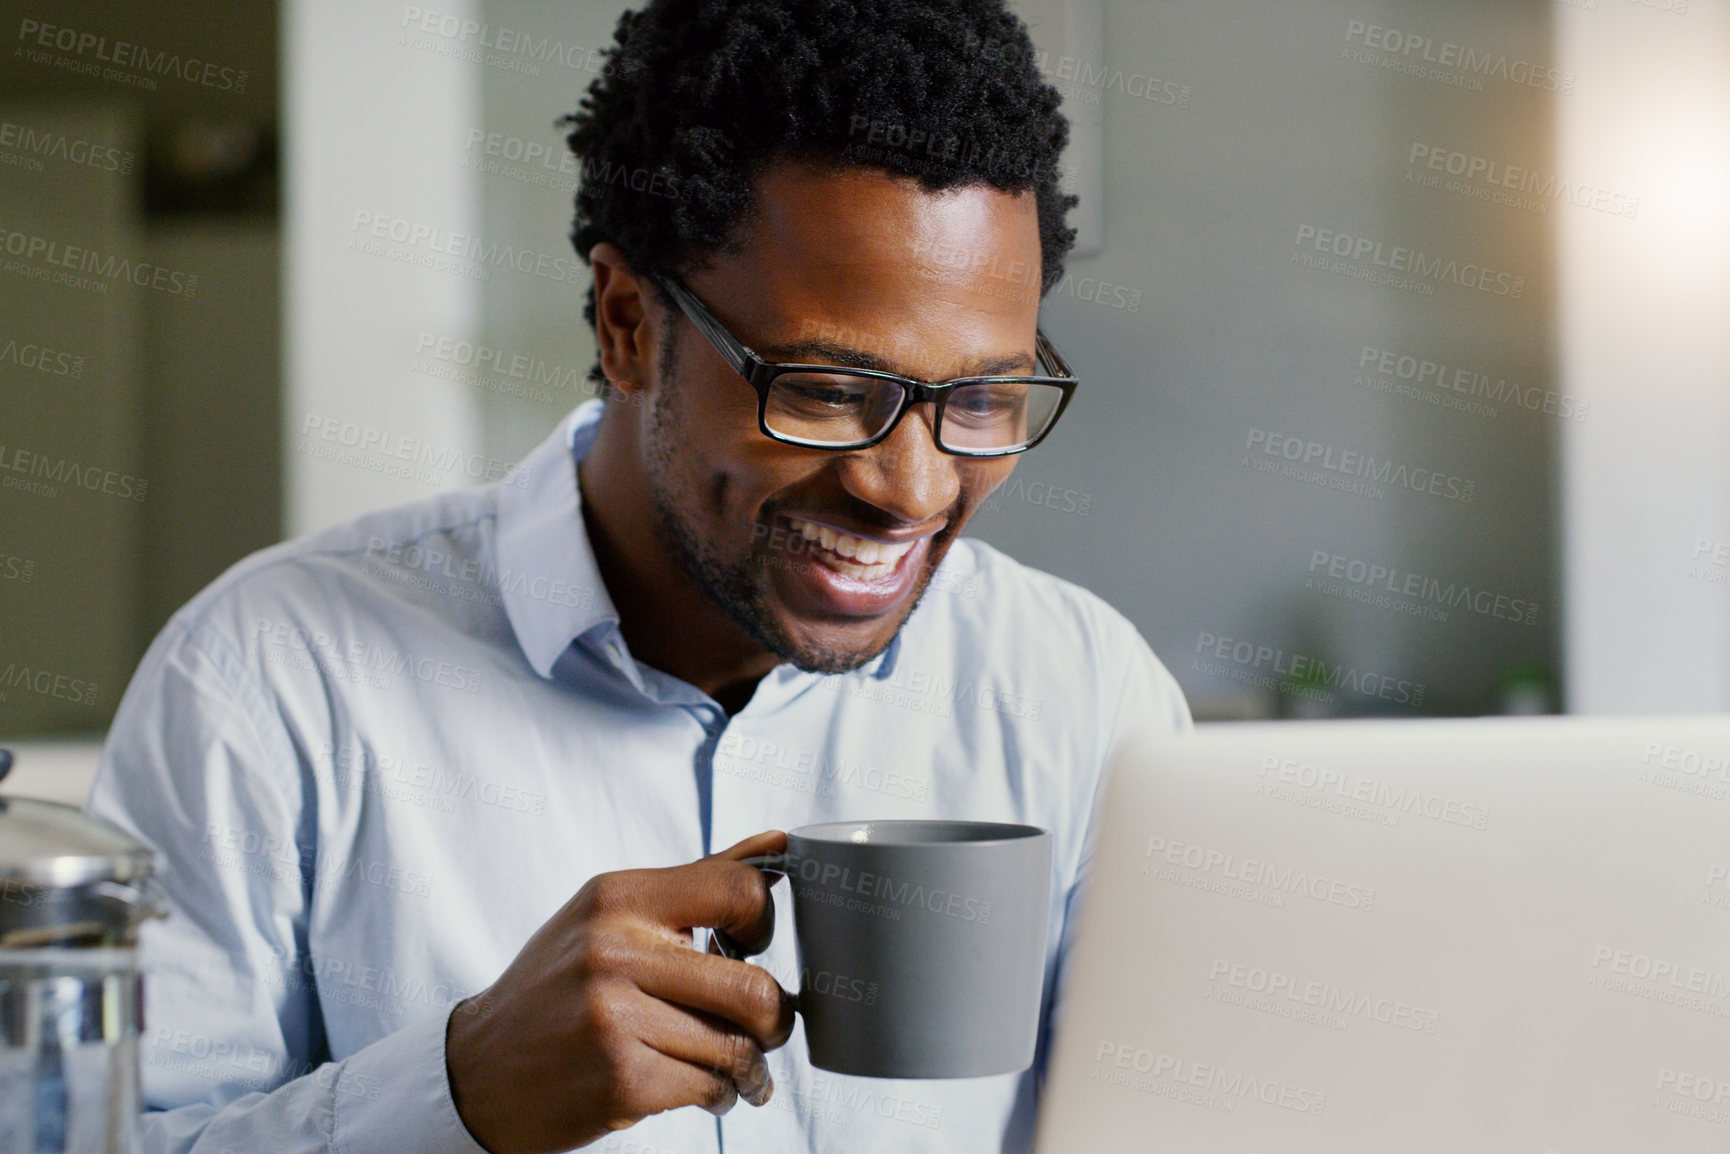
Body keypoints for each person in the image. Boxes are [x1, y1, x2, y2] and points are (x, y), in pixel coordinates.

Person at [87, 0, 1190, 1150]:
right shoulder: (273, 674)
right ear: (626, 324)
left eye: (979, 399)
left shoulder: (1079, 691)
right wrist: (453, 1094)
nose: (909, 489)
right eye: (820, 389)